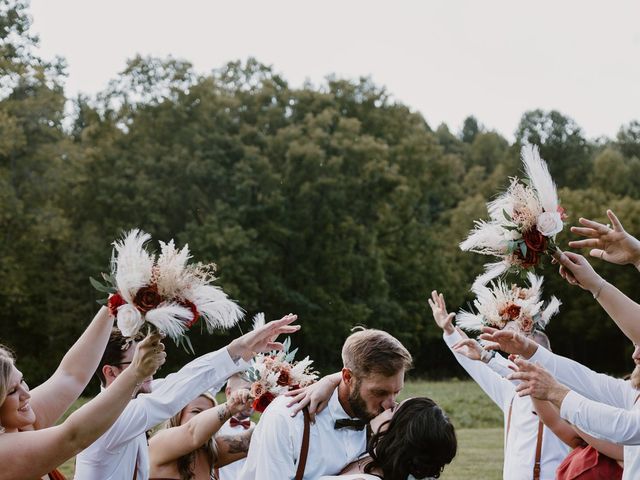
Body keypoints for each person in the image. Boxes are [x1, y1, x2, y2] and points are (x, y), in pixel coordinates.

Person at [75, 313, 300, 479]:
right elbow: (176, 394)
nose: (151, 369)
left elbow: (183, 380)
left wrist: (241, 348)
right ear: (110, 371)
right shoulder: (106, 420)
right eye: (138, 363)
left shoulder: (138, 396)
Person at [428, 290, 569, 480]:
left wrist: (489, 358)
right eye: (520, 357)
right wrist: (450, 331)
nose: (525, 365)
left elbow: (501, 366)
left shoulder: (566, 390)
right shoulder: (510, 389)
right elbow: (473, 358)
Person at [239, 328, 413, 480]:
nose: (389, 405)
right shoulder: (287, 418)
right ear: (347, 377)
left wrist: (330, 379)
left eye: (396, 392)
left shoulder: (384, 424)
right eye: (379, 393)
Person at [0, 328, 166, 480]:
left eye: (22, 381)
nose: (26, 394)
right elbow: (74, 437)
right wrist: (135, 372)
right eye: (12, 391)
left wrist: (113, 304)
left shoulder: (22, 420)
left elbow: (71, 375)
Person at [479, 328, 640, 480]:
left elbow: (623, 426)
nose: (635, 354)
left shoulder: (626, 445)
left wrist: (555, 392)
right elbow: (557, 420)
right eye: (634, 345)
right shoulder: (590, 436)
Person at [317, 397, 457, 479]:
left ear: (400, 431)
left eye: (394, 409)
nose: (387, 405)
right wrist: (329, 382)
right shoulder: (370, 454)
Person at [149, 389, 253, 480]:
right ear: (178, 415)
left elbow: (252, 440)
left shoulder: (210, 452)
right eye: (196, 411)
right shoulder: (159, 443)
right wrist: (232, 406)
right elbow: (192, 432)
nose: (203, 417)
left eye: (208, 413)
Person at [215, 373, 255, 480]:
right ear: (228, 392)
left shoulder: (259, 430)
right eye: (246, 391)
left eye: (257, 392)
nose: (253, 397)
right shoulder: (214, 429)